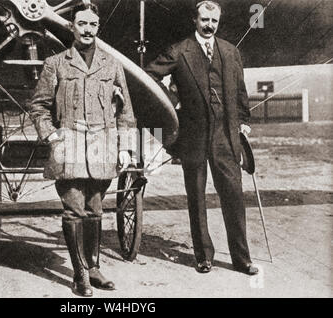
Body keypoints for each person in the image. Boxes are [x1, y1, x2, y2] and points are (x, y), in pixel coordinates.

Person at [27, 3, 136, 296]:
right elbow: (38, 106)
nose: (88, 29)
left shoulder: (112, 65)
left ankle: (94, 267)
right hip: (69, 144)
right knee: (74, 210)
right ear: (72, 27)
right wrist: (51, 135)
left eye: (93, 24)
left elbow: (125, 112)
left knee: (95, 209)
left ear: (98, 28)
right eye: (82, 24)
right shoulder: (56, 63)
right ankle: (79, 275)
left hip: (103, 146)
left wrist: (124, 148)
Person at [145, 0, 258, 275]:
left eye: (214, 21)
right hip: (192, 136)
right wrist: (173, 103)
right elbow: (149, 76)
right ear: (194, 21)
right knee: (196, 197)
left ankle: (242, 259)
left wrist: (243, 122)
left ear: (218, 22)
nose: (209, 25)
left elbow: (241, 93)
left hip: (226, 136)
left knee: (233, 197)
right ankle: (203, 256)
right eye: (204, 20)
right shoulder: (179, 51)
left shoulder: (231, 52)